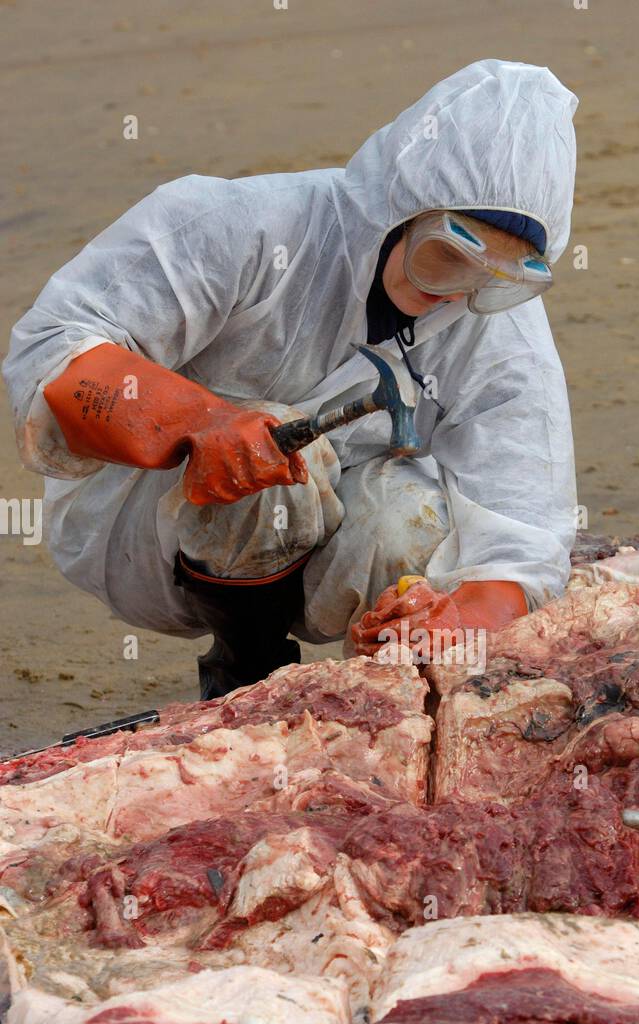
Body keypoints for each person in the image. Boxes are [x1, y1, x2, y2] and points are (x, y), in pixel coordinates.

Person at [3, 59, 579, 697]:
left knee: (412, 516)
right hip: (152, 528)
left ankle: (374, 703)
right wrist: (200, 421)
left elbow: (521, 523)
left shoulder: (494, 323)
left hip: (333, 547)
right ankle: (246, 670)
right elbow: (53, 347)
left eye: (492, 280)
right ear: (402, 207)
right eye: (446, 257)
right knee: (275, 448)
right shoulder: (238, 226)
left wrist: (464, 619)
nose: (453, 295)